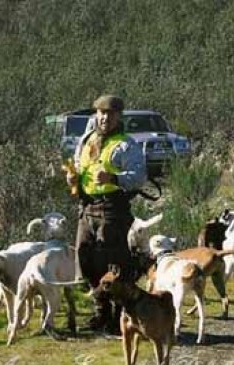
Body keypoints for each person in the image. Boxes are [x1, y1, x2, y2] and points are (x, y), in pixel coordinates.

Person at [66, 95, 147, 334]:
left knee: (112, 263)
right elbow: (80, 168)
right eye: (101, 113)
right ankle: (100, 310)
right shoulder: (86, 140)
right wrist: (73, 179)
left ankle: (116, 315)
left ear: (118, 117)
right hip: (87, 207)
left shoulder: (126, 144)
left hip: (113, 210)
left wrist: (113, 178)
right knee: (84, 257)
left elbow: (139, 177)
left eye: (110, 114)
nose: (104, 118)